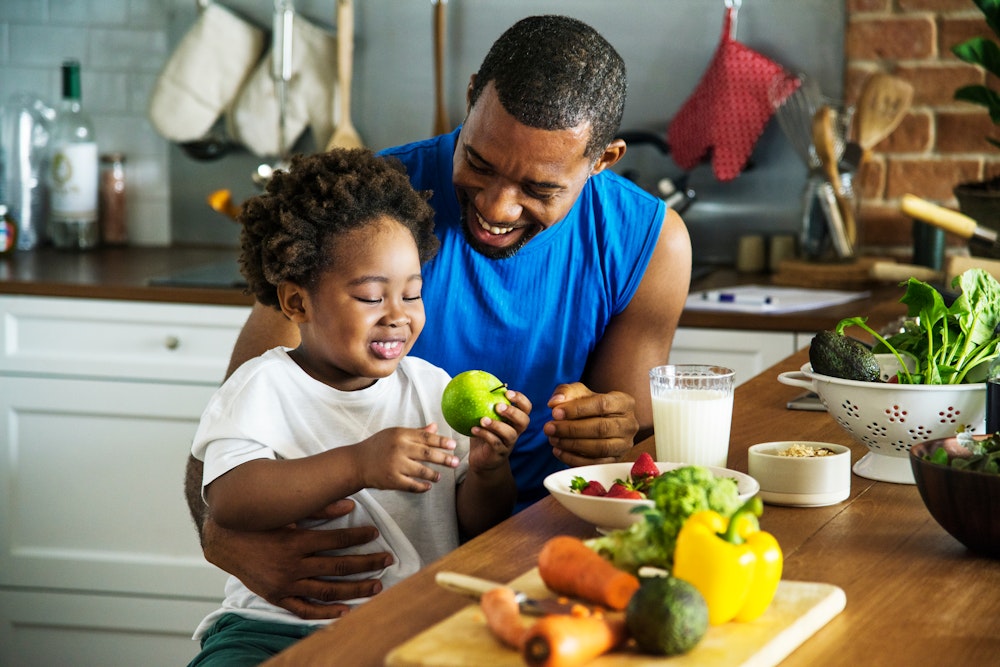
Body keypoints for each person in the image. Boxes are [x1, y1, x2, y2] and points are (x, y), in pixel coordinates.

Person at [185, 14, 692, 621]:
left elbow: (629, 461)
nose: (497, 206)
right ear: (472, 94)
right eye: (478, 162)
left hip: (553, 561)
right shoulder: (369, 215)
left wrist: (613, 431)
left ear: (602, 159)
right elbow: (226, 436)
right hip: (350, 589)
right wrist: (226, 543)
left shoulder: (649, 243)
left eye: (539, 188)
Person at [186, 149, 530, 665]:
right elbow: (231, 501)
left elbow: (476, 525)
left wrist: (487, 470)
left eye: (412, 295)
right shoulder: (262, 387)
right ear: (297, 303)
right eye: (372, 297)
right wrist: (358, 463)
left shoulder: (431, 389)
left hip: (410, 622)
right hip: (273, 626)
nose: (398, 317)